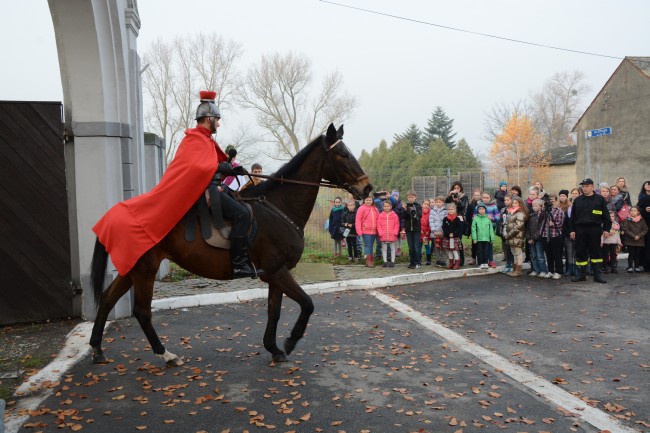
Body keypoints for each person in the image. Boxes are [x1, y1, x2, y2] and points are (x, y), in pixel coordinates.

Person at [93, 90, 263, 279]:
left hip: (212, 188)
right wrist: (218, 166)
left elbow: (207, 168)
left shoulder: (205, 140)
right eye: (217, 119)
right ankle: (239, 264)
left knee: (242, 208)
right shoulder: (194, 139)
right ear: (208, 119)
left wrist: (228, 168)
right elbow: (195, 168)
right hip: (205, 192)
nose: (219, 123)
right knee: (241, 213)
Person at [569, 178, 612, 283]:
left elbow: (606, 216)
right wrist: (572, 230)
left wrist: (606, 229)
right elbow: (572, 217)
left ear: (592, 187)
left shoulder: (600, 199)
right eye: (583, 186)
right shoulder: (578, 200)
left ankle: (597, 275)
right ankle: (581, 275)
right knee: (580, 251)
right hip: (580, 229)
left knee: (596, 252)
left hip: (595, 229)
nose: (585, 188)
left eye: (587, 186)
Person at [540, 195, 565, 279]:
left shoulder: (559, 211)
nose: (551, 202)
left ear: (556, 201)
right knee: (548, 254)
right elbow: (539, 220)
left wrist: (553, 224)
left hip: (555, 235)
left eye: (552, 200)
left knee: (556, 254)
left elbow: (561, 223)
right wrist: (543, 209)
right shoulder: (544, 211)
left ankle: (558, 271)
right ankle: (550, 271)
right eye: (549, 201)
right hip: (545, 235)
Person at [445, 182, 469, 266]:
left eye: (458, 188)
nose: (456, 190)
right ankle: (453, 260)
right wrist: (449, 195)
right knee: (451, 240)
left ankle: (461, 259)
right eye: (455, 188)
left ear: (461, 189)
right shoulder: (451, 196)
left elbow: (464, 208)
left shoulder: (464, 197)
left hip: (459, 219)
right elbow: (446, 203)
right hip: (450, 220)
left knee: (458, 240)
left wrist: (458, 200)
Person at [504, 196, 528, 277]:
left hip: (517, 237)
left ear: (520, 204)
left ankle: (518, 270)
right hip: (510, 237)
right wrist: (505, 233)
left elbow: (518, 227)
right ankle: (514, 269)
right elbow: (505, 224)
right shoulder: (510, 213)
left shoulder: (521, 214)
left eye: (516, 203)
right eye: (513, 203)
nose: (514, 204)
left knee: (518, 254)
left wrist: (508, 235)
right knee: (514, 253)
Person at [621, 206, 648, 272]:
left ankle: (636, 266)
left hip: (639, 240)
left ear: (638, 212)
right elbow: (626, 229)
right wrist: (633, 236)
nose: (632, 212)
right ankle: (630, 266)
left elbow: (645, 229)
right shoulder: (627, 220)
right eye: (631, 210)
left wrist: (639, 236)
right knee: (631, 254)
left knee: (637, 254)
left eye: (634, 211)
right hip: (630, 240)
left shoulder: (642, 220)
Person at [477, 191, 500, 268]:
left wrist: (492, 218)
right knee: (481, 246)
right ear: (481, 198)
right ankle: (482, 261)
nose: (485, 199)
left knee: (489, 244)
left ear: (490, 198)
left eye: (487, 198)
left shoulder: (494, 206)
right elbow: (474, 216)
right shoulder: (478, 205)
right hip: (480, 229)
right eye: (484, 197)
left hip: (490, 228)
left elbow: (498, 216)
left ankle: (491, 260)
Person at [527, 199, 549, 278]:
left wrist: (534, 238)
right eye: (533, 206)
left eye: (536, 206)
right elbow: (528, 228)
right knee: (533, 256)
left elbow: (541, 228)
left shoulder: (543, 215)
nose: (534, 207)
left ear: (541, 206)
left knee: (540, 256)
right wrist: (529, 238)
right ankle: (536, 270)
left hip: (538, 239)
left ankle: (543, 270)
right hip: (531, 239)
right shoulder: (531, 216)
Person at [356, 195, 379, 268]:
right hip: (366, 231)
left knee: (371, 246)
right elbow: (358, 220)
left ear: (372, 201)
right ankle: (369, 260)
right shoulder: (361, 208)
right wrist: (359, 230)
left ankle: (370, 260)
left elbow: (378, 219)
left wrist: (378, 230)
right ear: (364, 200)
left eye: (370, 200)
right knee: (367, 245)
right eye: (367, 200)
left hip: (374, 231)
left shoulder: (375, 209)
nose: (368, 201)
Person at [401, 190, 423, 269]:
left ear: (415, 197)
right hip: (408, 230)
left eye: (412, 197)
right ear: (407, 197)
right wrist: (406, 209)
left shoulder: (418, 206)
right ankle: (412, 262)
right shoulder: (405, 206)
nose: (410, 199)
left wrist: (414, 212)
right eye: (409, 197)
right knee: (410, 246)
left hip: (416, 229)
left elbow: (419, 216)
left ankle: (418, 262)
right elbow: (403, 216)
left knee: (416, 246)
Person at [559, 189, 577, 277]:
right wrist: (568, 233)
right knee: (568, 252)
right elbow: (565, 224)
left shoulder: (579, 214)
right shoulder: (567, 212)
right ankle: (569, 269)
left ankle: (576, 268)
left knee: (576, 252)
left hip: (578, 235)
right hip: (567, 235)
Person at [471, 203, 495, 269]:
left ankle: (485, 262)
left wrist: (492, 239)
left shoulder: (488, 218)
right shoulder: (475, 219)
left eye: (483, 209)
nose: (481, 210)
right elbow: (473, 229)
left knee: (486, 251)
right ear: (478, 210)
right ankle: (480, 263)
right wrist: (474, 238)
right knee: (479, 251)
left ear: (485, 210)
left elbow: (491, 229)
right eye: (480, 209)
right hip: (479, 239)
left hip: (487, 238)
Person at [377, 200, 400, 268]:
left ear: (390, 207)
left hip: (392, 234)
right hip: (383, 235)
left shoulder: (394, 215)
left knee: (393, 248)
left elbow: (397, 225)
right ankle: (385, 261)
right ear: (383, 207)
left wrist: (395, 232)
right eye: (385, 206)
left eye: (388, 206)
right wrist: (380, 232)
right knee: (384, 248)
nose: (386, 208)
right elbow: (378, 225)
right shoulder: (380, 215)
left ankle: (392, 261)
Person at [442, 202, 463, 269]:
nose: (450, 211)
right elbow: (444, 227)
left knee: (454, 250)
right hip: (447, 237)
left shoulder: (457, 219)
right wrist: (448, 233)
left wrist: (453, 234)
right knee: (449, 250)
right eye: (449, 209)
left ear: (455, 210)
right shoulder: (445, 219)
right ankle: (451, 262)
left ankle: (457, 263)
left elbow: (459, 228)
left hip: (455, 238)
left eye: (452, 209)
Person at [429, 196, 447, 267]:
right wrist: (434, 231)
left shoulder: (445, 211)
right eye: (437, 202)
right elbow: (431, 221)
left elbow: (446, 222)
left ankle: (443, 260)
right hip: (435, 233)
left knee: (443, 247)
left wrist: (443, 231)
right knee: (437, 247)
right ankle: (438, 260)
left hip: (443, 233)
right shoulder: (432, 211)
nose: (438, 203)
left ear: (443, 203)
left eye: (440, 202)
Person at [498, 194, 514, 273]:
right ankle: (508, 264)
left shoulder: (514, 210)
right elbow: (501, 221)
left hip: (511, 232)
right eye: (505, 200)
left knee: (511, 249)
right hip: (504, 232)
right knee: (506, 249)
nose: (506, 201)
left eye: (508, 200)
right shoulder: (503, 210)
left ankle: (512, 264)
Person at [466, 189, 482, 265]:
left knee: (482, 243)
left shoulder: (483, 204)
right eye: (475, 195)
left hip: (482, 227)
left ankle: (482, 259)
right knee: (474, 243)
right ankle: (473, 258)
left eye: (478, 195)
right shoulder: (471, 205)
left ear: (480, 196)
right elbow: (468, 216)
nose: (476, 196)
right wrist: (470, 226)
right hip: (474, 227)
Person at [638, 180, 650, 271]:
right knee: (646, 244)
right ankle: (646, 264)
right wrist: (645, 209)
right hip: (645, 223)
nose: (649, 186)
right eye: (647, 184)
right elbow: (637, 209)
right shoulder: (642, 197)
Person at [421, 199, 432, 265]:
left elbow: (430, 222)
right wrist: (420, 230)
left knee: (427, 246)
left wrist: (428, 230)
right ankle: (419, 259)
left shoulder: (430, 213)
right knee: (419, 246)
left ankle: (428, 259)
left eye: (428, 204)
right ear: (422, 205)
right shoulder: (419, 212)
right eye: (425, 204)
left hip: (426, 233)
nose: (426, 205)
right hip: (420, 232)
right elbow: (417, 222)